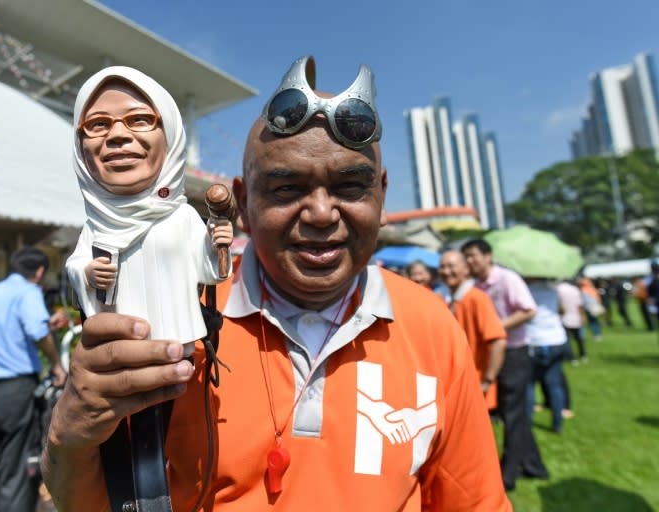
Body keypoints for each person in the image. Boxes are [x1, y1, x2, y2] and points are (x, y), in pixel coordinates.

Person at [42, 56, 511, 511]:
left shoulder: (432, 325)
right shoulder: (175, 326)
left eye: (350, 187)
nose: (322, 214)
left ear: (381, 195)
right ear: (242, 204)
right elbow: (95, 502)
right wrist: (67, 436)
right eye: (286, 189)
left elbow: (474, 502)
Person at [64, 66, 233, 355]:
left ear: (171, 137)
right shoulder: (96, 225)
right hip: (117, 351)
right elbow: (76, 263)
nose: (117, 134)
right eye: (98, 124)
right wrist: (88, 273)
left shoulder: (182, 217)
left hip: (178, 344)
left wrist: (219, 243)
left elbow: (211, 271)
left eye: (139, 119)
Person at [0, 247, 67, 512]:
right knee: (17, 466)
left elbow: (9, 330)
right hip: (16, 389)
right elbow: (37, 332)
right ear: (40, 271)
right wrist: (57, 366)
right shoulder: (28, 292)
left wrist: (45, 324)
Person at [462, 239, 548, 491]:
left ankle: (507, 475)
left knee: (511, 412)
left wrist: (495, 327)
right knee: (514, 412)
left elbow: (528, 310)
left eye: (474, 255)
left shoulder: (507, 279)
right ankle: (534, 466)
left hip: (514, 352)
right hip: (491, 354)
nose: (470, 261)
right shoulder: (475, 286)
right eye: (466, 256)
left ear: (488, 256)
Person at [438, 250, 507, 409]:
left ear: (466, 269)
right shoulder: (452, 300)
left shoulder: (477, 298)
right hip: (458, 382)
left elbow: (498, 341)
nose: (446, 271)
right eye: (442, 267)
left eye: (451, 266)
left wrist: (487, 381)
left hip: (475, 383)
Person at [525, 279, 570, 434]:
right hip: (556, 340)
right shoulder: (553, 290)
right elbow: (562, 310)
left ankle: (527, 423)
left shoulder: (526, 290)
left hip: (534, 340)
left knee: (529, 385)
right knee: (554, 384)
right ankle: (557, 424)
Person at [557, 279, 586, 363]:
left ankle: (571, 357)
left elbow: (558, 305)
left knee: (567, 339)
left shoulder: (558, 289)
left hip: (564, 317)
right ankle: (583, 354)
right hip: (575, 315)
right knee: (579, 338)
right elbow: (579, 305)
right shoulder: (575, 289)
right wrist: (582, 315)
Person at [578, 277, 604, 341]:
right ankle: (597, 334)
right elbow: (598, 298)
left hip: (589, 308)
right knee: (594, 321)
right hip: (595, 307)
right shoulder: (592, 288)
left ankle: (584, 336)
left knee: (590, 322)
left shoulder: (583, 290)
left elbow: (584, 301)